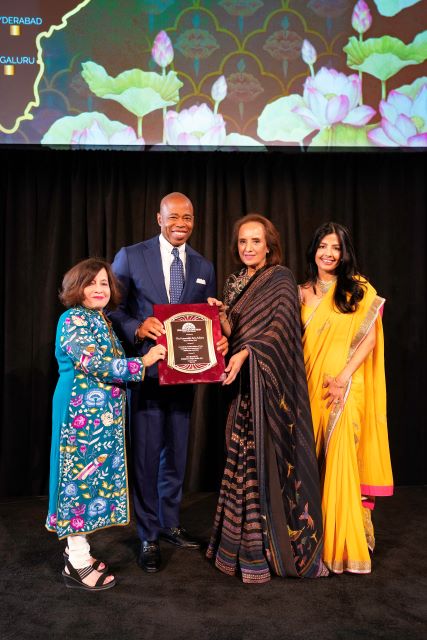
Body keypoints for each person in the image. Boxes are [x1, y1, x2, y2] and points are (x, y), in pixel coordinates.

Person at [206, 214, 328, 583]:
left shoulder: (281, 277)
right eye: (243, 241)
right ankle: (240, 546)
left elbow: (278, 329)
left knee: (268, 462)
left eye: (255, 241)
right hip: (243, 386)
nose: (248, 248)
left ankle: (278, 550)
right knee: (240, 458)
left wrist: (246, 353)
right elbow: (235, 330)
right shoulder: (235, 282)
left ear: (269, 245)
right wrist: (221, 315)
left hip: (270, 385)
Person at [110, 192, 228, 573]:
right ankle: (146, 533)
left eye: (189, 217)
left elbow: (202, 318)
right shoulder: (132, 255)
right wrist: (136, 326)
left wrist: (215, 332)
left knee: (176, 454)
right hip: (145, 373)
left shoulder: (203, 266)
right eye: (174, 216)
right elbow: (111, 306)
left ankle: (169, 522)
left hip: (185, 376)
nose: (182, 223)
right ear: (158, 218)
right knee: (145, 456)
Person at [46, 258, 166, 590]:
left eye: (104, 283)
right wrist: (142, 361)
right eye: (91, 283)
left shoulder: (99, 319)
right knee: (77, 485)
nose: (99, 289)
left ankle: (80, 552)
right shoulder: (73, 319)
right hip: (77, 416)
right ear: (76, 288)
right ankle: (77, 562)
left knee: (88, 484)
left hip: (96, 419)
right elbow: (94, 363)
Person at [299, 222, 393, 574]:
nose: (328, 253)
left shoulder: (358, 289)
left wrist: (342, 377)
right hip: (310, 388)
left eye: (335, 248)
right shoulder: (302, 292)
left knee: (341, 461)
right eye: (323, 246)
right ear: (314, 250)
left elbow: (368, 340)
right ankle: (313, 539)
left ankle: (343, 546)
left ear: (344, 253)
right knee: (313, 461)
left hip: (346, 388)